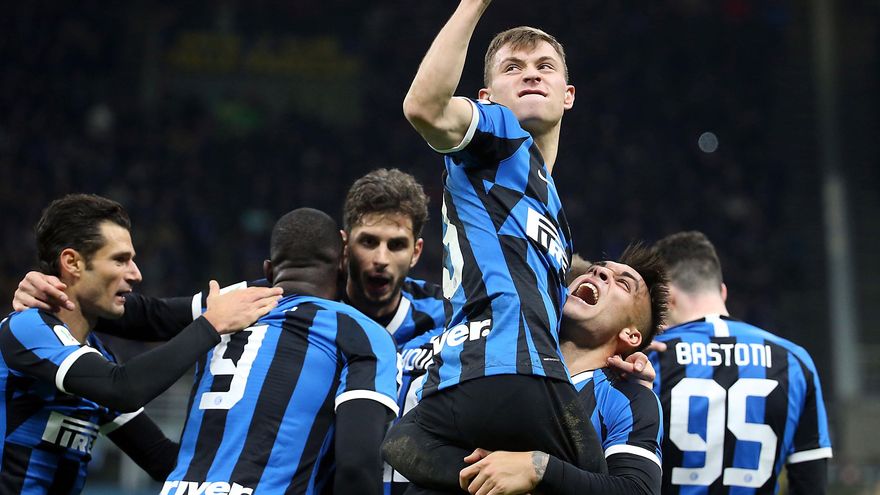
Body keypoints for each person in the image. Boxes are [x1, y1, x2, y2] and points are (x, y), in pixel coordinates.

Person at [13, 169, 450, 495]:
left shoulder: (447, 317)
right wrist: (58, 291)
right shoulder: (254, 302)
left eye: (395, 245)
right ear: (343, 247)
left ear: (416, 252)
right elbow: (151, 317)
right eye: (368, 242)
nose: (380, 259)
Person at [386, 1, 605, 490]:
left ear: (568, 95)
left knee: (402, 442)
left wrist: (616, 347)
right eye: (513, 67)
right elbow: (424, 107)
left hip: (466, 382)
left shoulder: (552, 208)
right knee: (610, 486)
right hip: (518, 374)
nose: (531, 74)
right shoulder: (500, 133)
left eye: (545, 66)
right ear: (485, 97)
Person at [0, 193, 281, 494]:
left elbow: (161, 459)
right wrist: (211, 325)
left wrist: (260, 467)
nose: (136, 274)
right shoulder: (27, 329)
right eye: (120, 260)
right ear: (72, 263)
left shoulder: (94, 358)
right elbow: (123, 388)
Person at [160, 208, 400, 494]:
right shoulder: (359, 331)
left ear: (268, 271)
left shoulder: (220, 319)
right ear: (343, 264)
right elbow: (356, 466)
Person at [447, 246, 669, 495]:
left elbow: (638, 490)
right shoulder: (498, 360)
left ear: (631, 335)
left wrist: (539, 469)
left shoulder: (628, 399)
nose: (598, 272)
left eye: (623, 284)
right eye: (596, 269)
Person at [648, 231, 832, 495]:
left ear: (666, 299)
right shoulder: (795, 361)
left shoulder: (647, 359)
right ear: (722, 292)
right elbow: (811, 484)